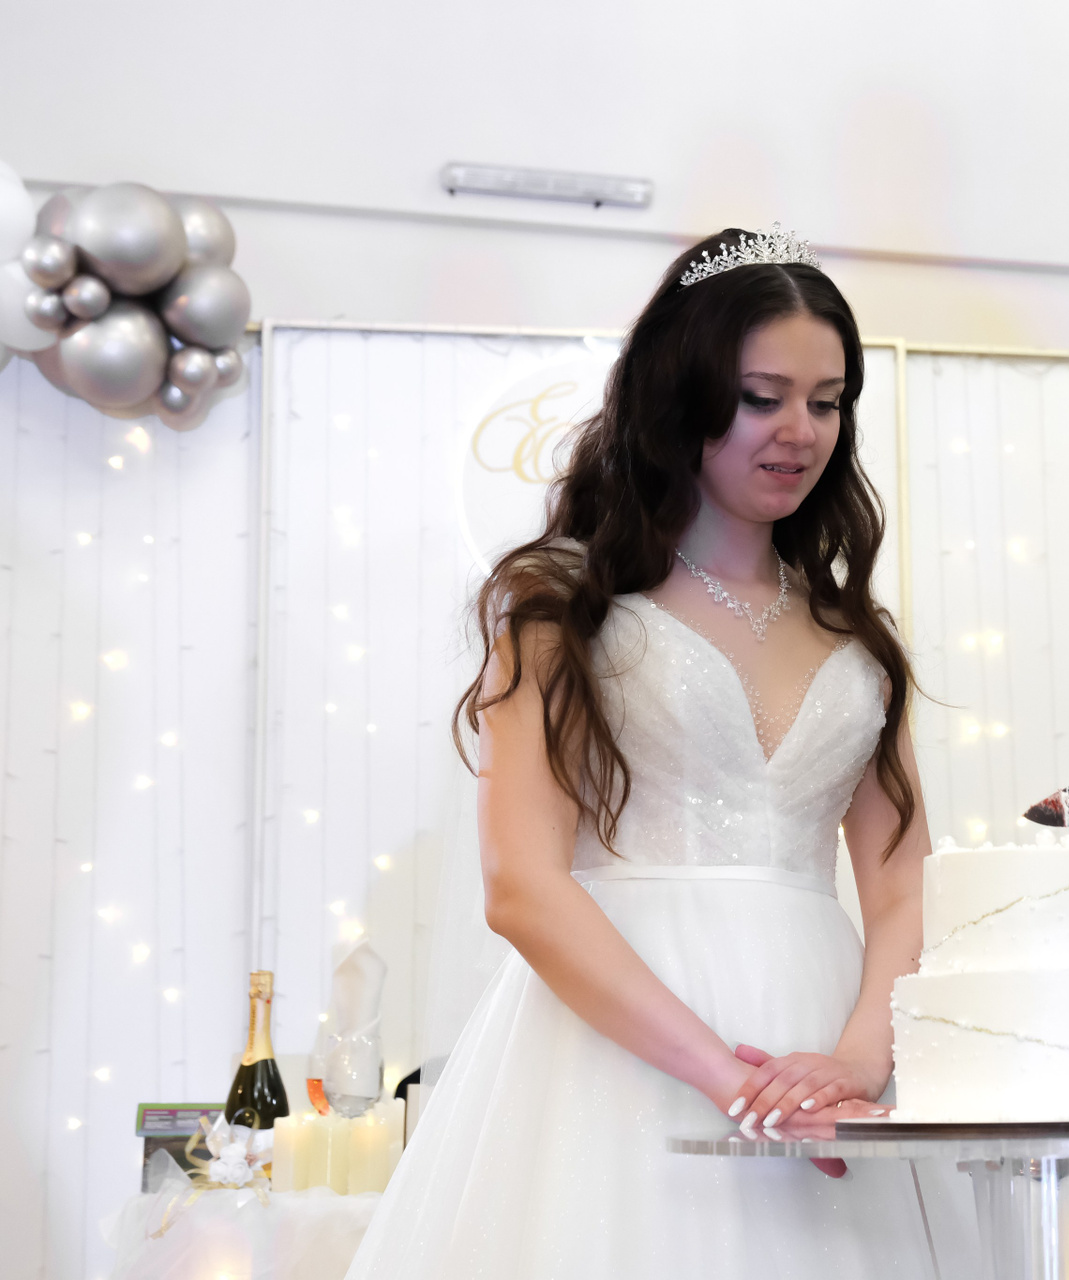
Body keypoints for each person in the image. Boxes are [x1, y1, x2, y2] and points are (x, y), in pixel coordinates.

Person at [346, 228, 944, 1277]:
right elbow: (521, 888)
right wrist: (725, 1076)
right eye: (761, 397)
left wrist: (856, 1061)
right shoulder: (562, 610)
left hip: (822, 1048)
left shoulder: (856, 636)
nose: (800, 431)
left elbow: (901, 884)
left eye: (827, 401)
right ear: (682, 392)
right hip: (616, 1055)